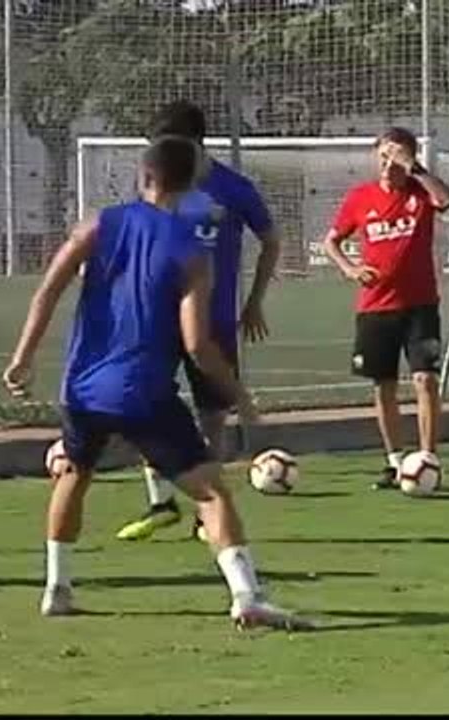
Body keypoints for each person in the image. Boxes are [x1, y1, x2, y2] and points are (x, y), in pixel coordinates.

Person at [3, 136, 308, 630]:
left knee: (75, 475)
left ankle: (57, 589)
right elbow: (197, 345)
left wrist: (23, 357)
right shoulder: (191, 251)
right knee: (212, 494)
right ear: (189, 184)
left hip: (82, 389)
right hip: (144, 393)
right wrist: (240, 395)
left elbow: (49, 288)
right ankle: (247, 596)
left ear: (143, 175)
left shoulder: (98, 225)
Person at [116, 100, 282, 542]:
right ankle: (160, 503)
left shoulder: (233, 188)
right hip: (158, 318)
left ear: (193, 144)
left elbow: (270, 239)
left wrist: (255, 302)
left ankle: (207, 513)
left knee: (212, 417)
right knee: (142, 406)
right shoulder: (158, 187)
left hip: (215, 322)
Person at [320, 127, 449, 489]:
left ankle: (428, 458)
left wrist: (417, 169)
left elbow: (445, 201)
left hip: (420, 306)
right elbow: (331, 240)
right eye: (381, 155)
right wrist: (350, 269)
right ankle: (394, 461)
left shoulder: (419, 193)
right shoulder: (360, 198)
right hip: (376, 307)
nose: (386, 163)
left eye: (394, 156)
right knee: (384, 386)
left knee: (425, 379)